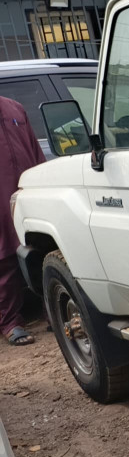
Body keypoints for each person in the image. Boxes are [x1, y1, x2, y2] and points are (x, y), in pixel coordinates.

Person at [1, 96, 44, 346]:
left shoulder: (14, 107)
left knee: (39, 251)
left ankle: (52, 312)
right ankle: (10, 322)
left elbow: (35, 151)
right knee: (5, 260)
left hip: (26, 194)